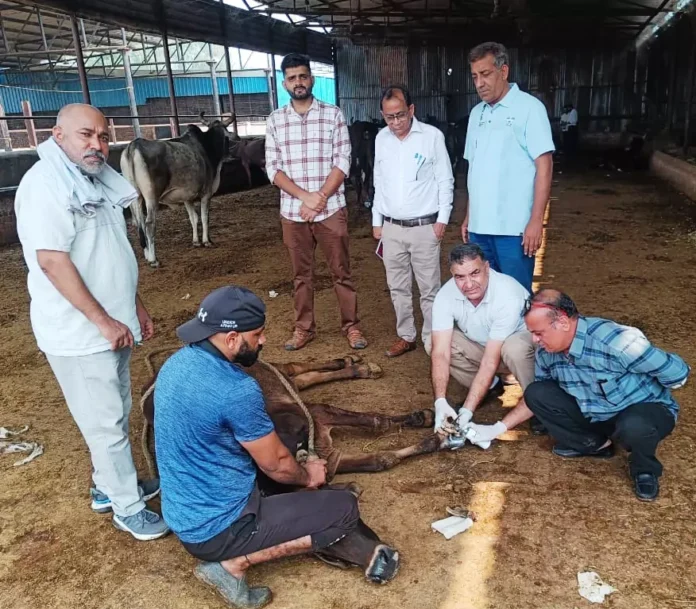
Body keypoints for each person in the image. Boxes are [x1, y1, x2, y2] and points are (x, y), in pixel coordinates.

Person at [154, 286, 398, 608]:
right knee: (343, 508)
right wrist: (309, 475)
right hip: (219, 529)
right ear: (230, 339)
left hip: (184, 513)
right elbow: (278, 465)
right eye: (257, 334)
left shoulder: (176, 363)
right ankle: (232, 565)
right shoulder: (236, 389)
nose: (263, 341)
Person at [14, 103, 168, 540]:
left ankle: (108, 485)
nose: (98, 144)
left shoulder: (93, 178)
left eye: (103, 136)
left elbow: (111, 253)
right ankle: (128, 507)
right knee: (104, 422)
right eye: (86, 135)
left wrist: (133, 305)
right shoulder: (44, 184)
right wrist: (102, 321)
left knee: (114, 413)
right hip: (81, 331)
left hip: (111, 323)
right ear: (57, 134)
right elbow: (51, 262)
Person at [465, 289, 690, 501]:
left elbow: (678, 374)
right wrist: (498, 429)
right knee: (536, 392)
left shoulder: (617, 342)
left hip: (639, 411)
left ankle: (644, 469)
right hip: (597, 413)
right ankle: (596, 445)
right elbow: (538, 397)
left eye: (538, 333)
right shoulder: (547, 352)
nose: (535, 340)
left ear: (562, 322)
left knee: (636, 424)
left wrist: (642, 386)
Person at [265, 53, 367, 351]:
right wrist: (305, 197)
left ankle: (351, 326)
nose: (299, 82)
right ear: (284, 83)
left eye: (303, 76)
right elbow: (273, 168)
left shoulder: (333, 114)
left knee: (341, 271)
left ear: (312, 79)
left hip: (330, 208)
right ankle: (304, 328)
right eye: (292, 77)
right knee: (301, 275)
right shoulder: (275, 120)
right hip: (293, 211)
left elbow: (343, 160)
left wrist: (320, 197)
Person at [462, 41, 555, 292]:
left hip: (514, 229)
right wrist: (470, 215)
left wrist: (536, 220)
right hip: (480, 228)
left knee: (517, 297)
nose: (479, 83)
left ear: (503, 72)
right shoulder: (475, 114)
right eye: (474, 76)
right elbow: (475, 169)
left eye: (485, 74)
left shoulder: (529, 109)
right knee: (484, 295)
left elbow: (544, 166)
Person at [372, 85, 454, 358]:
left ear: (411, 110)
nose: (395, 123)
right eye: (389, 117)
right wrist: (377, 220)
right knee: (397, 286)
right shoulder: (381, 138)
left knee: (429, 288)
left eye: (400, 116)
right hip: (392, 227)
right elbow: (379, 181)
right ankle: (406, 335)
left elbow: (445, 180)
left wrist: (442, 219)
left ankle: (432, 340)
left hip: (424, 227)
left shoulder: (432, 137)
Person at [428, 244, 535, 435]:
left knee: (514, 348)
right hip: (485, 347)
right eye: (460, 277)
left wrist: (467, 411)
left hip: (518, 354)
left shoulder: (507, 295)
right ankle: (489, 387)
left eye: (474, 273)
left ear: (487, 267)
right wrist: (440, 401)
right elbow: (440, 353)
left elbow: (489, 361)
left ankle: (536, 403)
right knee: (433, 342)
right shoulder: (445, 295)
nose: (468, 284)